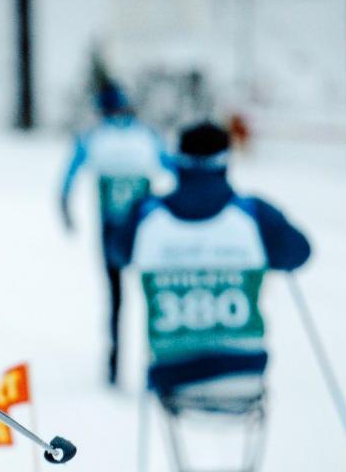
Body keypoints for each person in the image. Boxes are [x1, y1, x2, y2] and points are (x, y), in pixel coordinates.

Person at [113, 120, 311, 396]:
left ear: (178, 161)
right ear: (226, 161)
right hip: (245, 372)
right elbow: (299, 253)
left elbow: (117, 252)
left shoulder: (146, 214)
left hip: (170, 374)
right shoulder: (253, 214)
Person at [60, 80, 169, 385]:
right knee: (151, 297)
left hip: (110, 232)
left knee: (116, 298)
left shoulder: (94, 138)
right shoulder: (147, 136)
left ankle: (114, 364)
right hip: (144, 231)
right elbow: (174, 168)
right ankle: (155, 362)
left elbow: (68, 180)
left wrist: (66, 211)